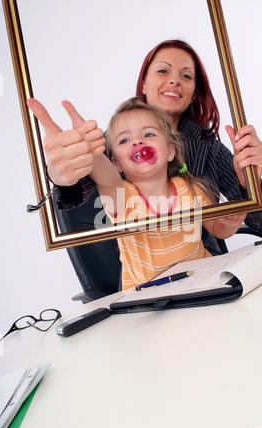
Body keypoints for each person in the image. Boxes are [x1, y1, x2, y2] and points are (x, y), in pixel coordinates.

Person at [27, 39, 262, 258]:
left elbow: (253, 220)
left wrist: (250, 184)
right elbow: (80, 181)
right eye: (163, 70)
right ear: (144, 84)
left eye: (187, 76)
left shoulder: (206, 148)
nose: (174, 80)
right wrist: (59, 174)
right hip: (140, 278)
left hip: (204, 271)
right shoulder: (115, 141)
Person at [90, 97, 246, 289]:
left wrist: (230, 222)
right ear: (116, 164)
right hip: (148, 299)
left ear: (170, 151)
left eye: (148, 134)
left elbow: (218, 229)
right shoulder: (121, 196)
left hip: (204, 282)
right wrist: (92, 153)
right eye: (124, 140)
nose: (138, 141)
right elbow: (105, 176)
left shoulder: (191, 188)